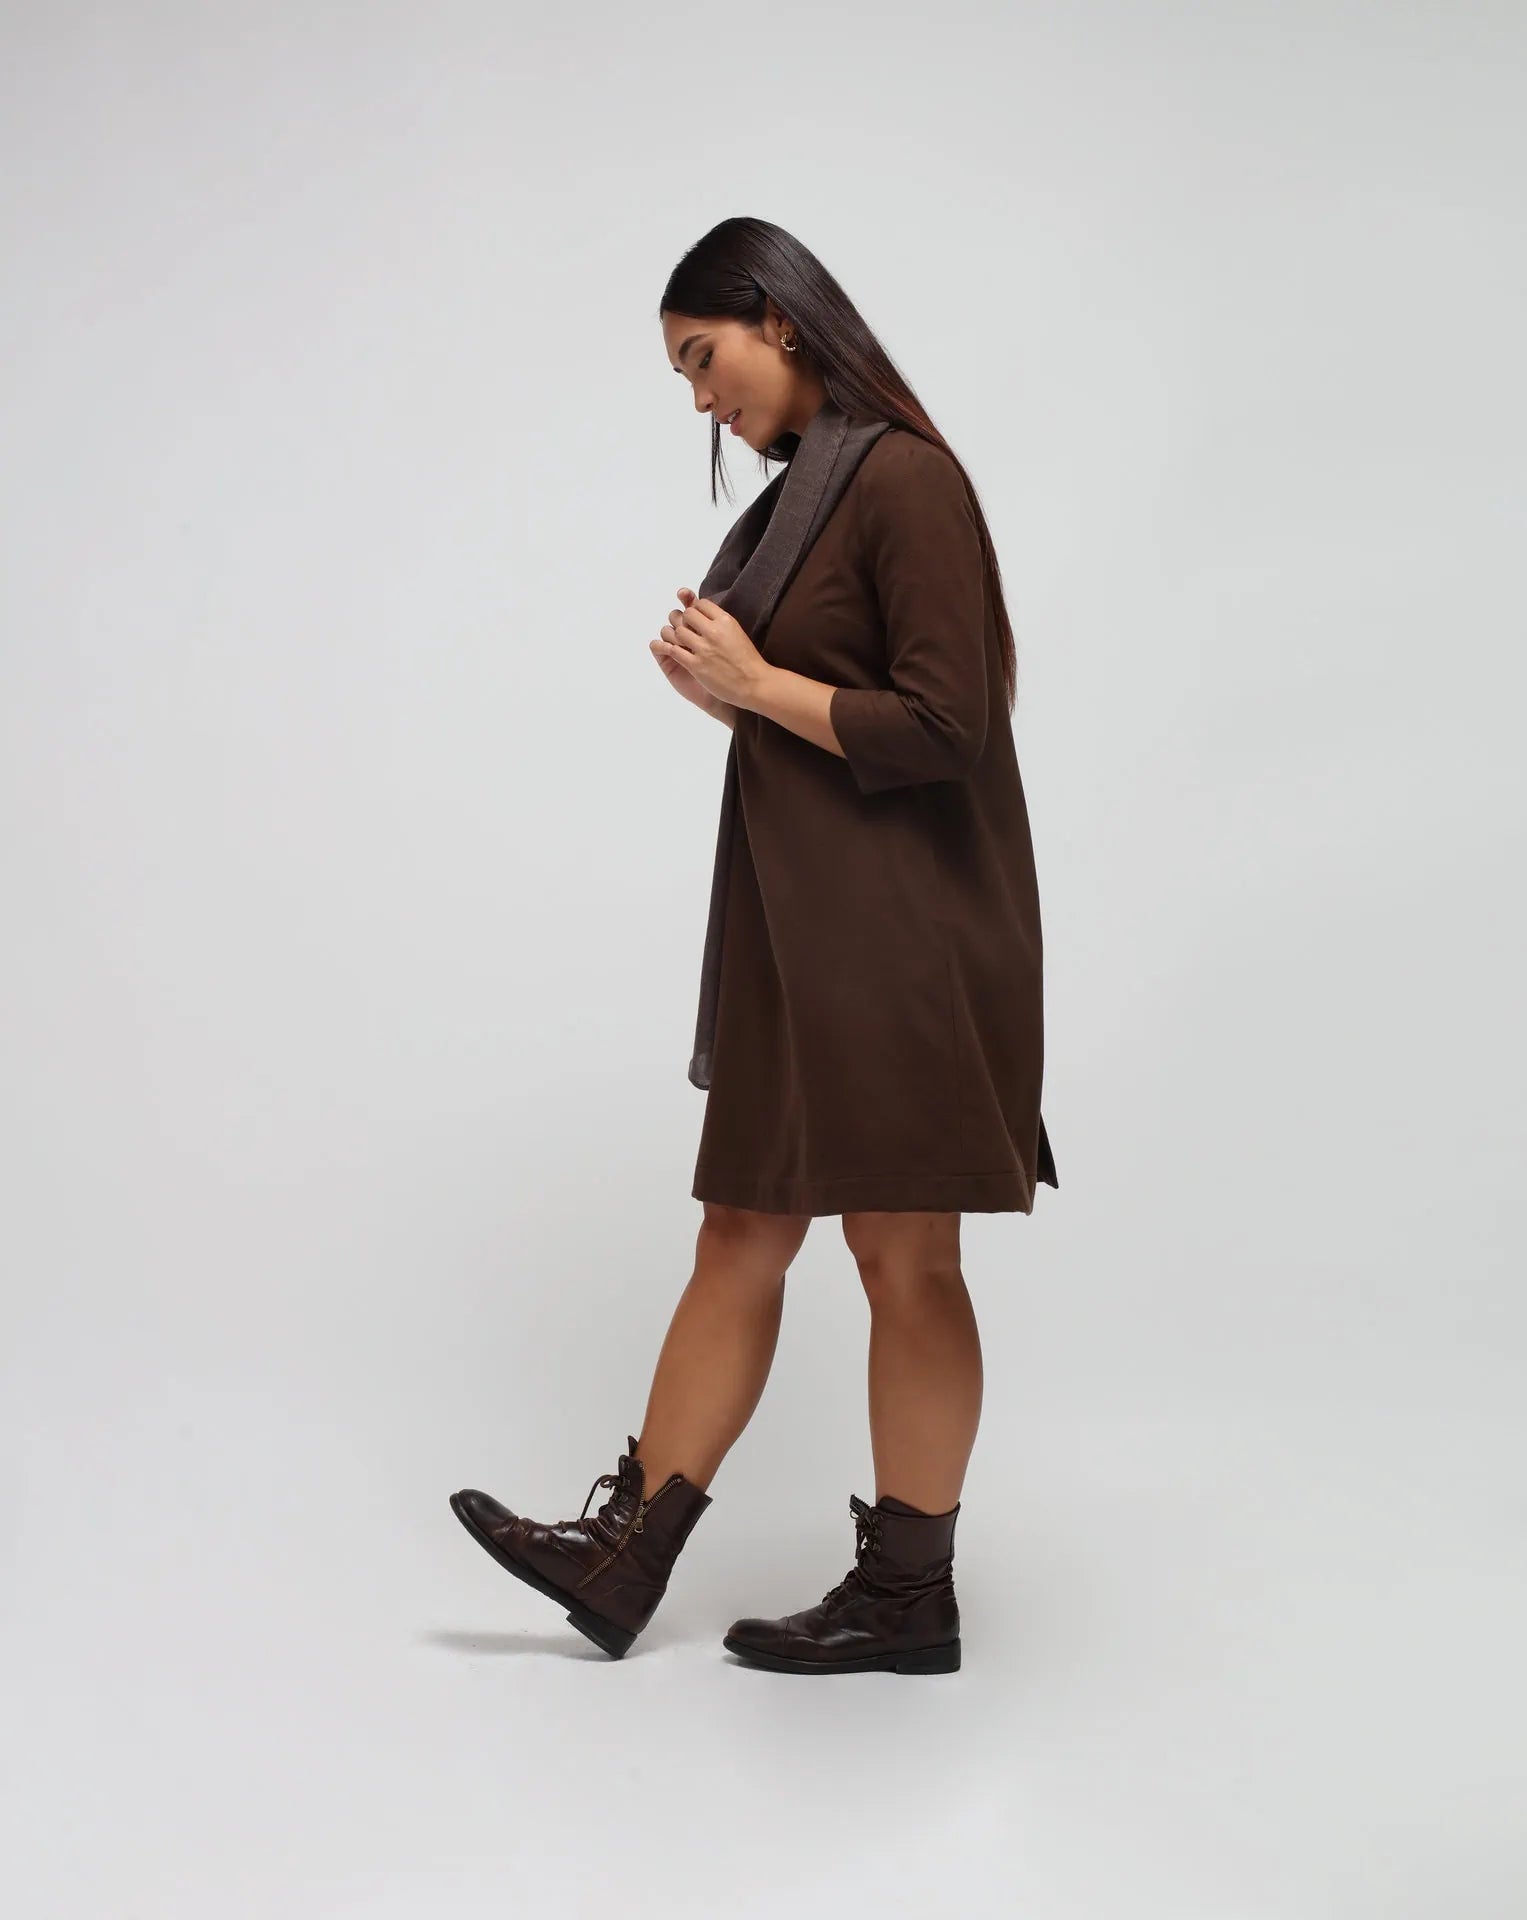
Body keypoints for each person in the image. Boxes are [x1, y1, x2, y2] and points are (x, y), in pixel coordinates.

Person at [451, 216, 1058, 1675]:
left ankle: (911, 1595)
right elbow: (837, 721)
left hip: (906, 949)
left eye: (702, 359)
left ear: (780, 321)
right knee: (741, 1230)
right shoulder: (807, 499)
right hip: (806, 944)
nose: (700, 399)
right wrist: (738, 702)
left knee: (903, 1255)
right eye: (681, 374)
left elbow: (949, 724)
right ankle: (626, 1551)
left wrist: (760, 684)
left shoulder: (904, 480)